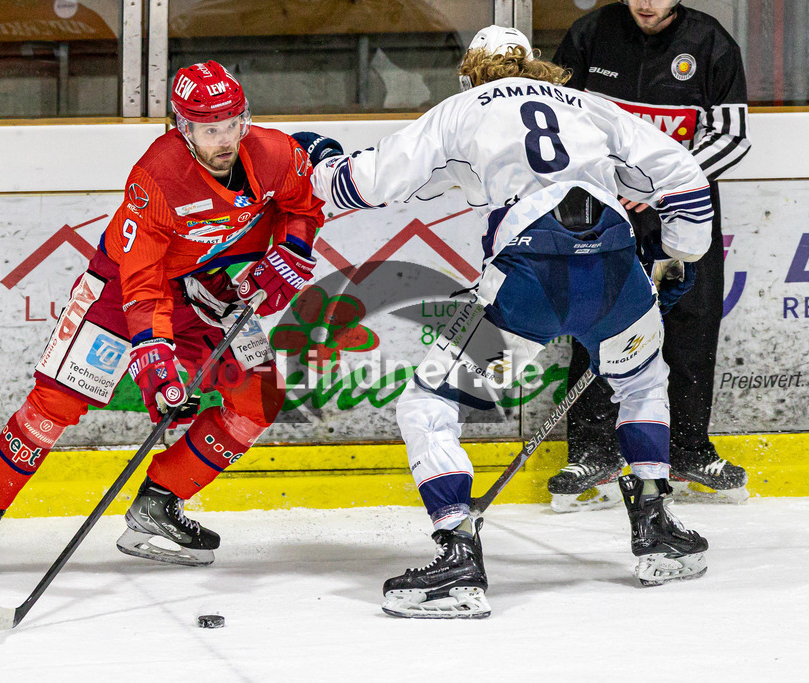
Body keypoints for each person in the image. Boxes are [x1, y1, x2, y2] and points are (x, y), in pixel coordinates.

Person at [299, 25, 712, 618]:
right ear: (534, 68)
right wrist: (680, 253)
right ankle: (655, 527)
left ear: (470, 73)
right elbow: (686, 180)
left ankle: (458, 554)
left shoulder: (460, 110)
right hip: (617, 278)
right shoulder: (594, 106)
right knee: (644, 385)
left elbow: (365, 185)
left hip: (528, 286)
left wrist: (321, 167)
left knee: (428, 405)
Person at [0, 60, 324, 572]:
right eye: (210, 129)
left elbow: (304, 202)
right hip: (121, 292)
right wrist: (156, 361)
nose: (225, 138)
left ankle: (159, 502)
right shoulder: (156, 177)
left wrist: (294, 247)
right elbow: (141, 287)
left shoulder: (274, 152)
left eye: (233, 123)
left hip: (205, 290)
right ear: (182, 128)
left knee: (258, 396)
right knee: (55, 402)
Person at [547, 0, 751, 513]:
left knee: (690, 324)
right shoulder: (590, 33)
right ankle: (592, 450)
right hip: (604, 211)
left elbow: (731, 136)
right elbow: (554, 121)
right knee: (598, 321)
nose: (646, 2)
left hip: (682, 212)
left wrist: (662, 182)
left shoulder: (712, 43)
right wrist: (607, 178)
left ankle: (687, 448)